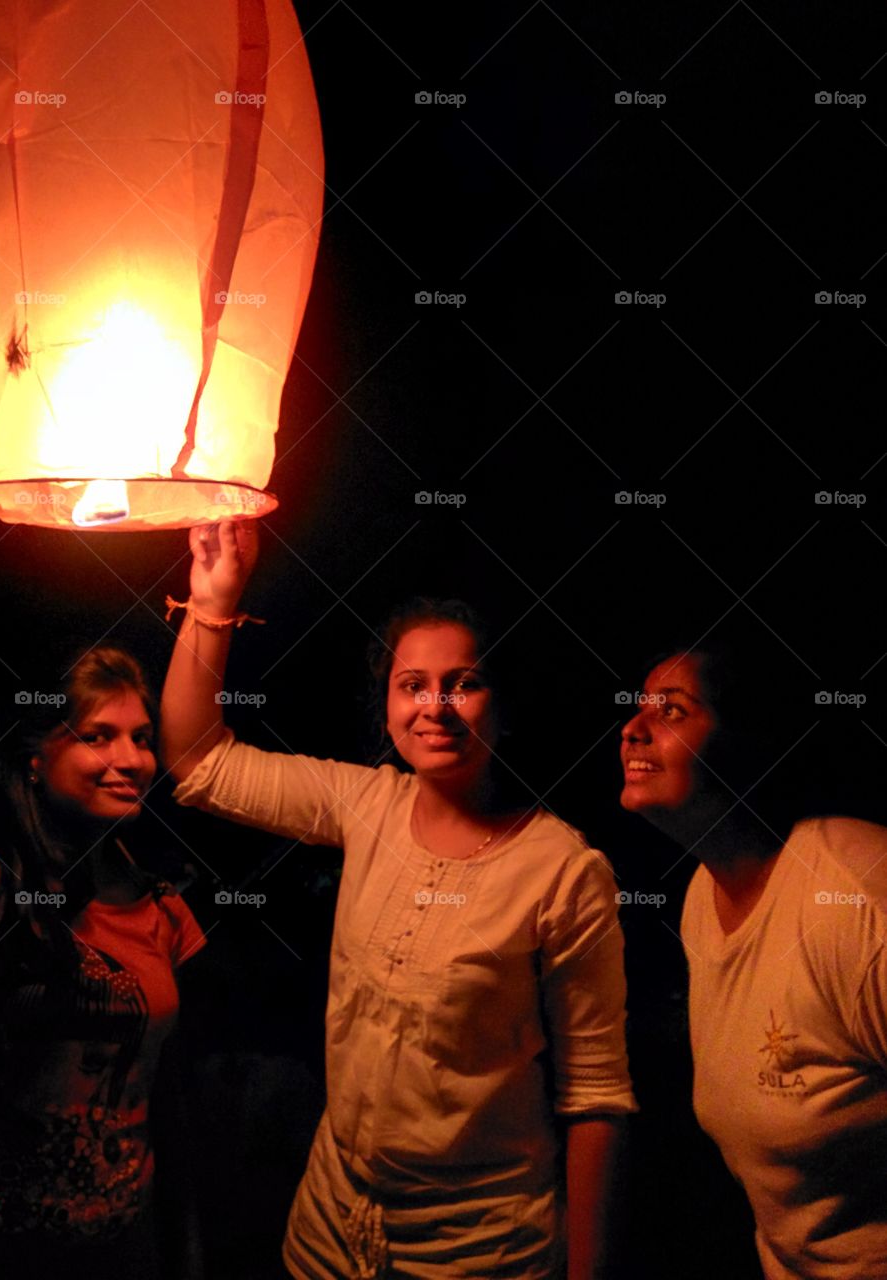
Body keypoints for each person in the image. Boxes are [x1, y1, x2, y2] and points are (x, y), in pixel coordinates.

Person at [160, 520, 636, 1280]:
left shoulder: (562, 872)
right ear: (386, 707)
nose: (435, 706)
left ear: (501, 705)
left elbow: (596, 1095)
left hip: (478, 1252)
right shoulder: (365, 805)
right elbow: (198, 761)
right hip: (327, 1232)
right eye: (412, 685)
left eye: (464, 683)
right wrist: (211, 601)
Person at [0, 485, 206, 1279]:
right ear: (35, 754)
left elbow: (176, 1109)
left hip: (121, 1251)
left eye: (141, 737)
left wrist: (187, 1254)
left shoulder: (168, 912)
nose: (129, 759)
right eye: (97, 736)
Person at [620, 646, 887, 1280]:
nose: (633, 727)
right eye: (638, 709)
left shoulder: (852, 898)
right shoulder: (700, 900)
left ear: (745, 744)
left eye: (672, 711)